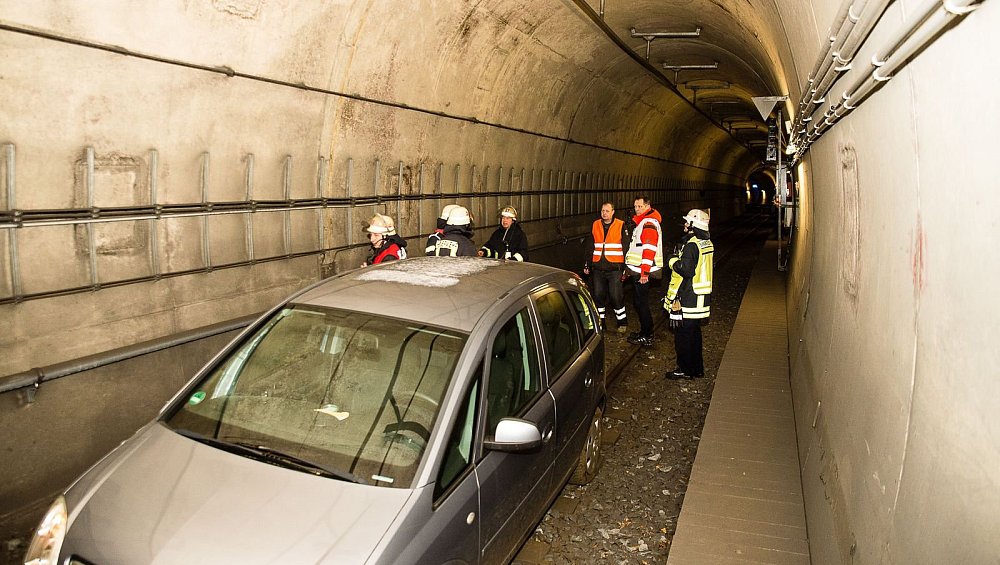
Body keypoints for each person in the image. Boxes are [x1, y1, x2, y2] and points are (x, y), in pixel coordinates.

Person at [663, 209, 714, 379]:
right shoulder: (706, 242)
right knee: (694, 335)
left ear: (693, 225)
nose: (684, 225)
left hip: (689, 298)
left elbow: (686, 270)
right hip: (701, 296)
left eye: (687, 222)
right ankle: (696, 369)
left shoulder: (692, 245)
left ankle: (684, 369)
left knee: (683, 337)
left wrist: (671, 260)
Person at [624, 195, 663, 346]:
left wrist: (644, 272)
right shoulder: (644, 222)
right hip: (638, 270)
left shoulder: (648, 223)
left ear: (648, 206)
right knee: (639, 302)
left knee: (641, 303)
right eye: (635, 206)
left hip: (643, 271)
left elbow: (649, 249)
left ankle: (647, 334)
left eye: (640, 206)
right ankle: (645, 332)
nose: (637, 209)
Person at [583, 201, 629, 333]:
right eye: (603, 211)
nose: (604, 213)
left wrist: (626, 266)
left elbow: (626, 247)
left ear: (613, 212)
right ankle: (601, 322)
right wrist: (587, 263)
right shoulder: (595, 224)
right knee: (598, 295)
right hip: (598, 268)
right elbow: (590, 246)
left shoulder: (621, 225)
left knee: (615, 296)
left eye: (607, 211)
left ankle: (622, 321)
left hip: (615, 268)